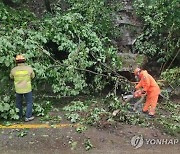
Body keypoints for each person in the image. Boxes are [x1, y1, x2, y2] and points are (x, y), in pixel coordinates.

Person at [10, 54, 35, 122]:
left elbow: (11, 77)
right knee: (29, 102)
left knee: (18, 103)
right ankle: (28, 116)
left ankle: (19, 116)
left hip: (18, 89)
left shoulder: (13, 70)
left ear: (16, 62)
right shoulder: (29, 68)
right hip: (27, 88)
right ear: (24, 61)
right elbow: (33, 76)